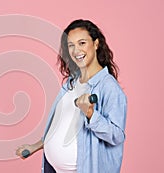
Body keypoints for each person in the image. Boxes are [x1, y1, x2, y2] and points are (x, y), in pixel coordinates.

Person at [16, 19, 127, 173]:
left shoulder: (109, 87)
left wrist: (90, 114)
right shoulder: (71, 82)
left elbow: (117, 136)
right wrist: (36, 146)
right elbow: (60, 124)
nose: (76, 51)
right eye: (71, 45)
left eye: (82, 43)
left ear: (96, 44)